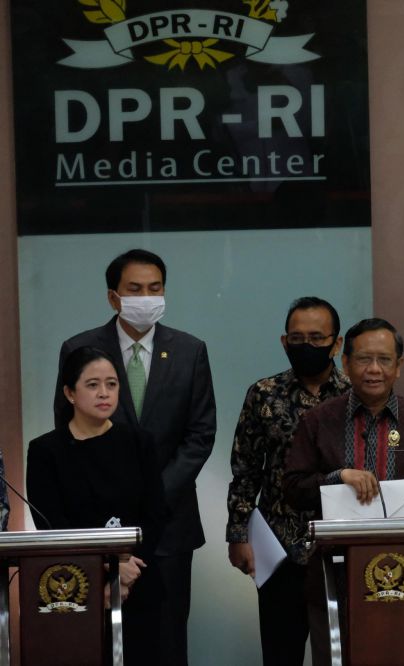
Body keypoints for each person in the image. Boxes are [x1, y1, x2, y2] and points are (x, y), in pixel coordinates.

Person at [54, 249, 216, 666]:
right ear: (114, 297)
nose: (146, 298)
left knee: (166, 642)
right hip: (97, 529)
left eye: (155, 289)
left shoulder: (190, 350)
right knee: (101, 642)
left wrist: (152, 496)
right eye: (135, 289)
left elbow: (200, 435)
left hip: (170, 527)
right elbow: (68, 436)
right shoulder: (79, 348)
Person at [283, 318, 404, 664]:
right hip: (334, 576)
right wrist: (336, 478)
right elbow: (293, 488)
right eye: (363, 359)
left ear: (399, 366)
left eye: (384, 360)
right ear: (345, 363)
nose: (374, 369)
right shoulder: (318, 421)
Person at [226, 297, 350, 665]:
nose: (306, 346)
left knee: (341, 652)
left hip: (340, 544)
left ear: (336, 343)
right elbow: (245, 468)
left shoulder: (354, 396)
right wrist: (238, 534)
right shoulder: (264, 394)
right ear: (284, 342)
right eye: (297, 338)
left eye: (316, 338)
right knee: (281, 653)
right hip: (278, 547)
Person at [29, 346, 168, 662]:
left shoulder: (140, 442)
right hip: (75, 585)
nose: (104, 393)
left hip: (139, 580)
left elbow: (155, 513)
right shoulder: (45, 451)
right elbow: (52, 525)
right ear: (70, 393)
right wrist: (107, 567)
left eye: (112, 384)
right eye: (92, 385)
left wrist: (126, 571)